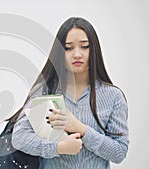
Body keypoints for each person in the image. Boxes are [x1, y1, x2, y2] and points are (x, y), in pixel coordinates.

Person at [9, 17, 129, 169]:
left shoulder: (113, 96)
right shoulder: (44, 91)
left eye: (84, 46)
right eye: (68, 48)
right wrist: (59, 147)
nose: (77, 54)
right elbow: (19, 138)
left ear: (94, 50)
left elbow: (119, 152)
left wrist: (81, 129)